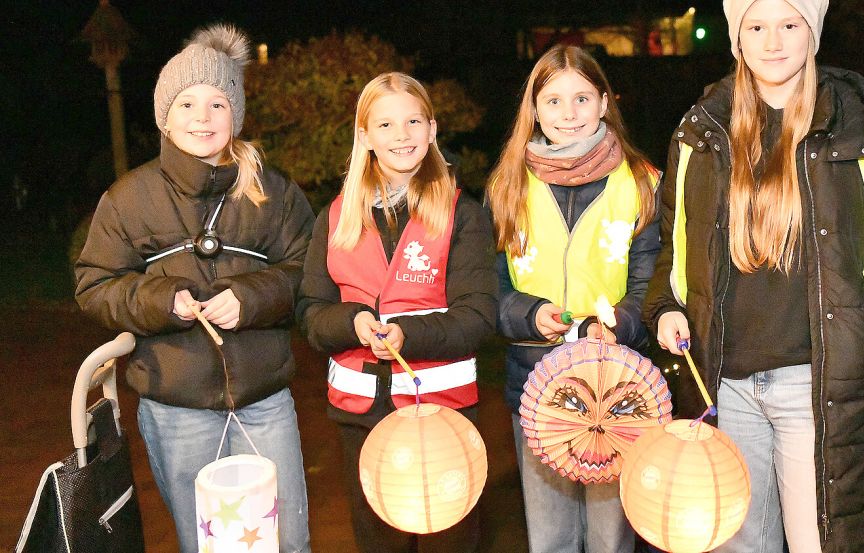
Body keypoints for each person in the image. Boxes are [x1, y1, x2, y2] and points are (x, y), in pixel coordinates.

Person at [642, 1, 864, 550]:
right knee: (737, 540)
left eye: (788, 24)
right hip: (723, 384)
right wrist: (665, 306)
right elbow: (674, 244)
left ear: (813, 34)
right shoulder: (699, 135)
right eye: (755, 26)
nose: (772, 42)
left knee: (819, 541)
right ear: (737, 39)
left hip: (817, 384)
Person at [75, 24, 314, 553]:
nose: (201, 118)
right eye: (186, 104)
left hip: (265, 402)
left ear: (237, 114)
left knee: (286, 541)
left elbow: (307, 272)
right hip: (175, 406)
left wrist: (252, 297)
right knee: (207, 544)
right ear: (165, 115)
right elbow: (95, 284)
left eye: (217, 103)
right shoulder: (128, 198)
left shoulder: (272, 192)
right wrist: (163, 300)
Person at [296, 72, 497, 553]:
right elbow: (309, 310)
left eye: (412, 121)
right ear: (364, 137)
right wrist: (353, 322)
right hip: (361, 418)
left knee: (449, 540)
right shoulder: (337, 215)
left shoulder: (461, 214)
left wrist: (408, 334)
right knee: (378, 541)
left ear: (431, 129)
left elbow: (479, 315)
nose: (401, 135)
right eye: (384, 125)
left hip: (441, 412)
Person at [486, 44, 661, 553]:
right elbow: (489, 290)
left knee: (612, 540)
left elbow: (650, 285)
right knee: (551, 538)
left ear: (605, 103)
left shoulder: (642, 184)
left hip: (617, 391)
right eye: (554, 100)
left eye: (582, 98)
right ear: (534, 109)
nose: (569, 113)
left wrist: (621, 325)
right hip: (535, 389)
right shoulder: (506, 186)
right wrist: (527, 314)